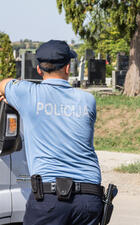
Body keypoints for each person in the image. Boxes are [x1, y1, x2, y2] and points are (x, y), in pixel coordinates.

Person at [0, 40, 103, 225]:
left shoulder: (28, 95)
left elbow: (4, 84)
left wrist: (14, 97)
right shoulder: (88, 100)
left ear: (39, 70)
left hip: (50, 199)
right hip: (89, 198)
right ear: (68, 68)